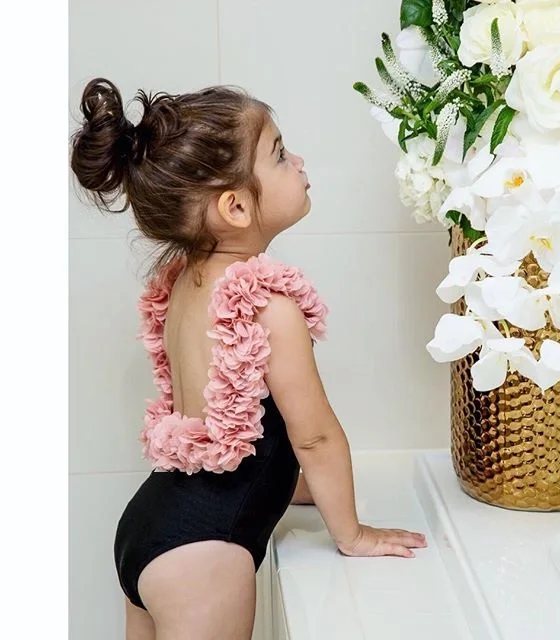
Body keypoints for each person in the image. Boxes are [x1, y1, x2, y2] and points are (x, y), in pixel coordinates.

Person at [70, 78, 427, 640]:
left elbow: (234, 429)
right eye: (280, 154)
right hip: (202, 557)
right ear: (235, 206)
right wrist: (353, 533)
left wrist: (293, 488)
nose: (299, 161)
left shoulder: (185, 285)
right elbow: (315, 437)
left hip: (151, 523)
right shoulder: (269, 306)